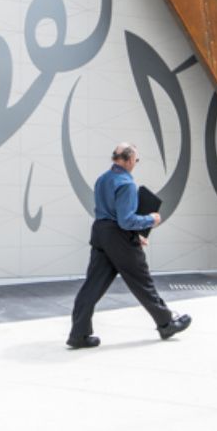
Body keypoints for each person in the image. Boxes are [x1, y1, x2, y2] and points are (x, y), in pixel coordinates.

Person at [67, 142, 192, 349]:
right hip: (119, 237)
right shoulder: (126, 183)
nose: (136, 163)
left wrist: (133, 232)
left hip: (100, 233)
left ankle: (78, 334)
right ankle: (166, 323)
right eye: (136, 159)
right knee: (142, 281)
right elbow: (125, 220)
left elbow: (109, 212)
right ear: (128, 160)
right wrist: (150, 220)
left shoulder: (102, 179)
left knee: (92, 285)